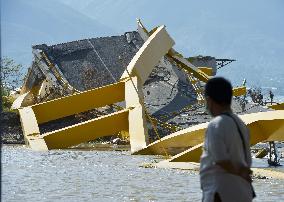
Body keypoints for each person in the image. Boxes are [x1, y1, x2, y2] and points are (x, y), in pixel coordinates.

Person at [200, 77, 255, 202]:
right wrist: (243, 174)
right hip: (243, 192)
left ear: (209, 100)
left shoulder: (216, 124)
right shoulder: (241, 124)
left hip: (220, 193)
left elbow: (221, 160)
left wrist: (240, 172)